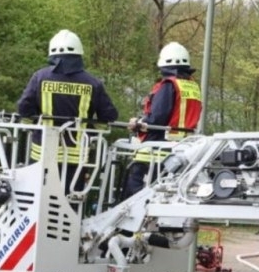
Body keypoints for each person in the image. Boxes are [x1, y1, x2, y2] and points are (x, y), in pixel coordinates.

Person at [17, 29, 119, 197]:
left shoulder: (40, 77)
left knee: (38, 198)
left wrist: (34, 121)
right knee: (70, 201)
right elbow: (109, 115)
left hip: (42, 152)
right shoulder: (92, 83)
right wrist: (92, 129)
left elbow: (24, 108)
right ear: (79, 54)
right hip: (76, 156)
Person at [120, 41, 202, 200]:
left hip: (156, 150)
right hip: (182, 149)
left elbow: (157, 118)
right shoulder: (193, 86)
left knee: (134, 197)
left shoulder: (169, 85)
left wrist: (138, 123)